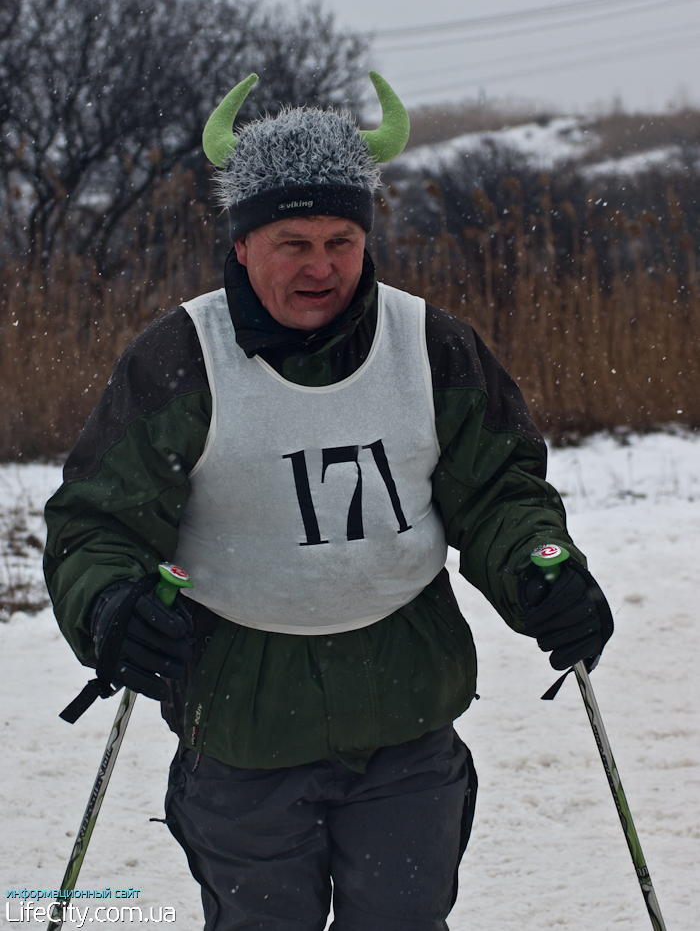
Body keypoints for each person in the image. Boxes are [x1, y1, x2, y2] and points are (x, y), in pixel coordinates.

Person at [44, 71, 613, 931]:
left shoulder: (432, 346)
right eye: (293, 241)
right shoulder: (179, 359)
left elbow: (500, 492)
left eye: (342, 239)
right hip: (242, 726)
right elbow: (98, 522)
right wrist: (111, 605)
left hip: (407, 717)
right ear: (242, 245)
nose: (322, 267)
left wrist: (546, 570)